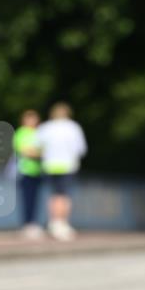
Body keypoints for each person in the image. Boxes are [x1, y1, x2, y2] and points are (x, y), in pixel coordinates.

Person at [35, 103, 87, 241]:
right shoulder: (73, 127)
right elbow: (81, 149)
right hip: (67, 165)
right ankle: (62, 223)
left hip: (49, 165)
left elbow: (37, 147)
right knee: (63, 195)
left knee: (53, 195)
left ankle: (53, 222)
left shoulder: (45, 127)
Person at [14, 110, 44, 238]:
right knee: (27, 198)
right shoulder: (21, 133)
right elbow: (25, 151)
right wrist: (38, 153)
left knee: (36, 198)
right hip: (24, 171)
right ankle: (27, 224)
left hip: (38, 171)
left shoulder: (40, 133)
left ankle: (33, 223)